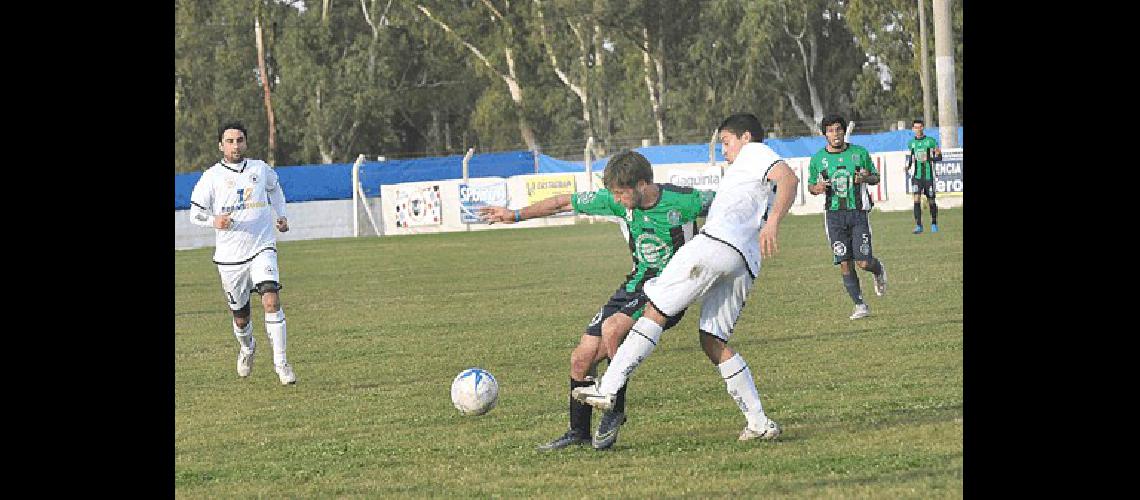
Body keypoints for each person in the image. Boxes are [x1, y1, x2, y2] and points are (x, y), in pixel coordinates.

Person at [572, 113, 799, 443]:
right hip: (744, 262)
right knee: (713, 341)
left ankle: (608, 389)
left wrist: (774, 222)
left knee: (654, 311)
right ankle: (759, 421)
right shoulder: (746, 173)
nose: (724, 150)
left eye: (725, 141)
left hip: (716, 244)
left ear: (746, 137)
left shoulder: (755, 152)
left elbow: (788, 179)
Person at [478, 150, 714, 451]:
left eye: (620, 193)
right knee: (581, 357)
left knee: (614, 328)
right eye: (612, 193)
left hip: (670, 289)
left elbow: (729, 203)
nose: (616, 199)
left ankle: (614, 406)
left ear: (642, 185)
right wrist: (514, 215)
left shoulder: (685, 201)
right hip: (635, 285)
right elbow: (563, 201)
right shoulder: (615, 200)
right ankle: (578, 432)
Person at [188, 121, 296, 385]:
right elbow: (195, 213)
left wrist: (280, 215)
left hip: (262, 247)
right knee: (240, 317)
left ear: (246, 142)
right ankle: (248, 348)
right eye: (230, 141)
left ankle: (281, 364)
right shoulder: (211, 176)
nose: (235, 146)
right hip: (230, 258)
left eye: (239, 140)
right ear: (220, 145)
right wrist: (215, 221)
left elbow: (275, 189)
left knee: (271, 299)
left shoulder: (260, 169)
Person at [807, 114, 889, 320]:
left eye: (838, 129)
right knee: (844, 261)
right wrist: (817, 188)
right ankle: (860, 305)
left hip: (858, 214)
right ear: (825, 134)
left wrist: (865, 178)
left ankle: (877, 269)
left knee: (863, 262)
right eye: (830, 130)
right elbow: (811, 186)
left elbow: (875, 177)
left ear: (844, 131)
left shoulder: (859, 153)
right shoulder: (818, 159)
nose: (835, 134)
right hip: (833, 217)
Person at [906, 119, 942, 234]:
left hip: (928, 176)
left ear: (923, 128)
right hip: (917, 176)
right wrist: (908, 166)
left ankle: (934, 223)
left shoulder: (930, 141)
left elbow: (940, 157)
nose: (918, 129)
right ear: (913, 129)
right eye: (916, 127)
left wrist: (930, 159)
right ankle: (918, 225)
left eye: (920, 127)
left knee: (931, 200)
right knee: (916, 199)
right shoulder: (911, 143)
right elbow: (911, 157)